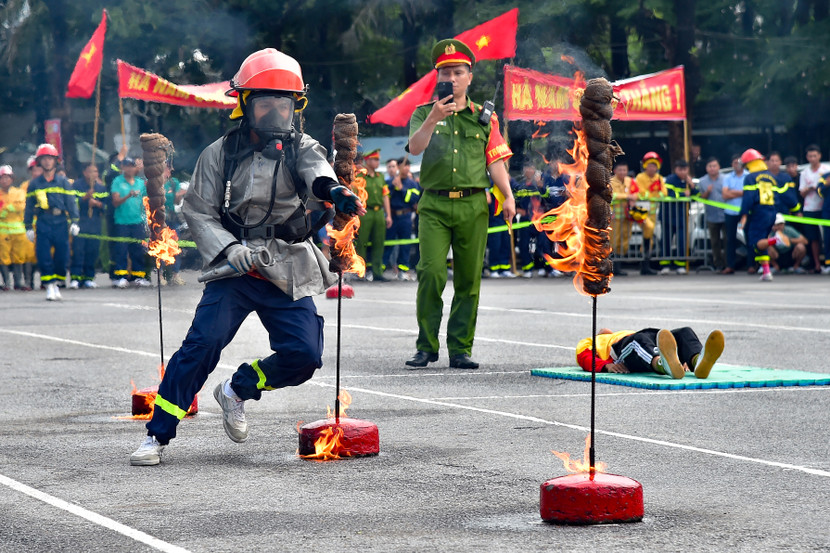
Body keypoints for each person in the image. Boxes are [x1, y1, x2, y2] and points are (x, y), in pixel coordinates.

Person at [130, 48, 364, 466]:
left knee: (305, 355)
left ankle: (237, 389)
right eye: (265, 102)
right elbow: (198, 210)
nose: (276, 112)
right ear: (244, 103)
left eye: (284, 103)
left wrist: (338, 193)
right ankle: (157, 436)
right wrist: (230, 248)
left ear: (296, 106)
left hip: (286, 264)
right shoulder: (218, 153)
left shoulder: (303, 147)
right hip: (233, 269)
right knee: (200, 348)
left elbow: (320, 176)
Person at [404, 38, 515, 370]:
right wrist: (433, 119)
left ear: (470, 76)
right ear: (438, 78)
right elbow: (415, 147)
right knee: (431, 274)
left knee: (469, 279)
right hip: (434, 206)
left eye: (458, 72)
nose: (453, 78)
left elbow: (495, 161)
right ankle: (426, 346)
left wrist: (507, 195)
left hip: (473, 206)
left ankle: (460, 349)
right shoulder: (424, 113)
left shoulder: (485, 118)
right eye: (446, 73)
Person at [23, 143, 80, 300]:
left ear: (56, 161)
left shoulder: (63, 182)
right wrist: (28, 226)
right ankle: (49, 286)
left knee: (62, 256)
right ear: (39, 161)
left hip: (61, 221)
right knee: (43, 255)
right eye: (44, 159)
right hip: (43, 222)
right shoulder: (34, 184)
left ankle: (57, 281)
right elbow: (28, 208)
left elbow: (71, 203)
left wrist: (75, 221)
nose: (47, 162)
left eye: (50, 158)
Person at [576, 327, 725, 380]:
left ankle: (697, 361)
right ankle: (662, 364)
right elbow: (583, 357)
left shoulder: (619, 332)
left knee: (683, 332)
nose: (605, 329)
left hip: (647, 337)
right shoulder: (592, 341)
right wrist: (606, 366)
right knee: (638, 341)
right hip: (623, 350)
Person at [738, 148, 797, 282]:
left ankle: (776, 240)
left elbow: (748, 198)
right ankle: (766, 272)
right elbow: (781, 196)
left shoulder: (750, 178)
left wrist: (744, 215)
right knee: (761, 242)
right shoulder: (772, 177)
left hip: (759, 213)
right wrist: (795, 208)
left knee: (754, 243)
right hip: (771, 212)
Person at [110, 158, 150, 288]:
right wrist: (128, 195)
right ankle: (120, 277)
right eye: (127, 166)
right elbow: (115, 202)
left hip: (138, 221)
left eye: (132, 166)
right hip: (122, 222)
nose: (130, 169)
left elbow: (146, 202)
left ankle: (138, 276)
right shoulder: (117, 181)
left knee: (138, 249)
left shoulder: (140, 183)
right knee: (121, 250)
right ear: (123, 168)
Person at [355, 148, 392, 281]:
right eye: (375, 159)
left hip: (379, 213)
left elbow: (385, 196)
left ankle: (377, 272)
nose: (378, 162)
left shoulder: (380, 177)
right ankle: (361, 273)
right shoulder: (360, 177)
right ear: (368, 160)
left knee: (379, 243)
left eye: (378, 159)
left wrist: (388, 215)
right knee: (362, 243)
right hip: (365, 212)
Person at [70, 163, 108, 288]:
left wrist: (97, 204)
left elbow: (107, 207)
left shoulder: (101, 188)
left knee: (93, 251)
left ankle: (89, 277)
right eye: (90, 171)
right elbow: (71, 203)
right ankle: (75, 277)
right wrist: (85, 198)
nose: (93, 174)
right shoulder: (76, 186)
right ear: (85, 173)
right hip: (81, 222)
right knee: (79, 251)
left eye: (95, 171)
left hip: (95, 223)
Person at [382, 157, 418, 279]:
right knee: (388, 243)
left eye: (407, 165)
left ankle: (403, 270)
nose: (405, 168)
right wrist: (393, 187)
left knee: (405, 245)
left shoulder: (412, 183)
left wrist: (401, 189)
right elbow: (385, 198)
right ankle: (380, 269)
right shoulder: (389, 182)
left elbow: (413, 200)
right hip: (392, 216)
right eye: (402, 165)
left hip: (405, 216)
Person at [659, 159, 695, 274]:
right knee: (666, 241)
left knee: (681, 242)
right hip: (668, 216)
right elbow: (669, 194)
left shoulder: (688, 181)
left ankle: (680, 265)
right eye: (680, 169)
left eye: (685, 169)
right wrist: (684, 194)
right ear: (676, 170)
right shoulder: (670, 179)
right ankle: (665, 266)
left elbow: (695, 195)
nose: (683, 172)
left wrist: (692, 186)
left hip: (682, 217)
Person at [633, 151, 665, 275]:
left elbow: (664, 193)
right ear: (645, 165)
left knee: (649, 237)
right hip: (641, 210)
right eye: (650, 165)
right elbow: (641, 193)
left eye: (654, 165)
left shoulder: (660, 178)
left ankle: (645, 265)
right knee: (648, 230)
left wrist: (652, 194)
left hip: (653, 213)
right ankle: (643, 263)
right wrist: (653, 194)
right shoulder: (640, 177)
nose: (652, 168)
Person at [798, 145, 827, 273]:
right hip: (810, 207)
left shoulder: (827, 170)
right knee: (813, 238)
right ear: (807, 157)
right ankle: (817, 265)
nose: (813, 158)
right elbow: (802, 193)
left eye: (815, 156)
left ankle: (828, 261)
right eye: (810, 156)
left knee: (828, 236)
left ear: (820, 156)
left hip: (825, 206)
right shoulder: (804, 172)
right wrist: (811, 189)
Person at [0, 165, 28, 290]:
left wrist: (7, 208)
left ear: (12, 179)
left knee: (19, 256)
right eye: (2, 178)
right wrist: (10, 208)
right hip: (2, 232)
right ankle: (7, 282)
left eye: (7, 177)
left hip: (18, 231)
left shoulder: (19, 192)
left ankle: (19, 282)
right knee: (3, 256)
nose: (4, 180)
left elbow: (21, 206)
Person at [697, 157, 726, 271]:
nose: (712, 168)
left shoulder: (725, 179)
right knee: (714, 242)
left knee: (727, 240)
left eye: (714, 166)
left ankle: (728, 263)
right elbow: (700, 198)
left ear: (719, 167)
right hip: (711, 215)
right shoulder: (702, 181)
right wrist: (707, 192)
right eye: (710, 166)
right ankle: (718, 263)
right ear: (706, 168)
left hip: (725, 214)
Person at [161, 163, 186, 285]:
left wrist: (179, 195)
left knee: (175, 246)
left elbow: (177, 201)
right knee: (160, 247)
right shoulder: (154, 182)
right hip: (159, 219)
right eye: (166, 167)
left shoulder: (173, 182)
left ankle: (175, 274)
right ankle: (161, 275)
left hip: (172, 218)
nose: (169, 170)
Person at [610, 160, 635, 275]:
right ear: (615, 171)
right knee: (613, 241)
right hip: (614, 218)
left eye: (624, 170)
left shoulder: (630, 181)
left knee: (625, 240)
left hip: (626, 216)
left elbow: (637, 193)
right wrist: (627, 196)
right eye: (620, 170)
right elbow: (611, 195)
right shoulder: (610, 181)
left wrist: (634, 197)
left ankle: (619, 266)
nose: (622, 172)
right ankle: (613, 267)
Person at [721, 154, 745, 274]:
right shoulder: (727, 177)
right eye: (735, 162)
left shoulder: (748, 176)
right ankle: (730, 265)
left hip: (745, 211)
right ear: (732, 164)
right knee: (730, 239)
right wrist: (740, 193)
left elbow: (748, 193)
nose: (737, 165)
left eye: (739, 162)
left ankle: (752, 265)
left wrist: (732, 192)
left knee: (750, 238)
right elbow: (724, 194)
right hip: (730, 212)